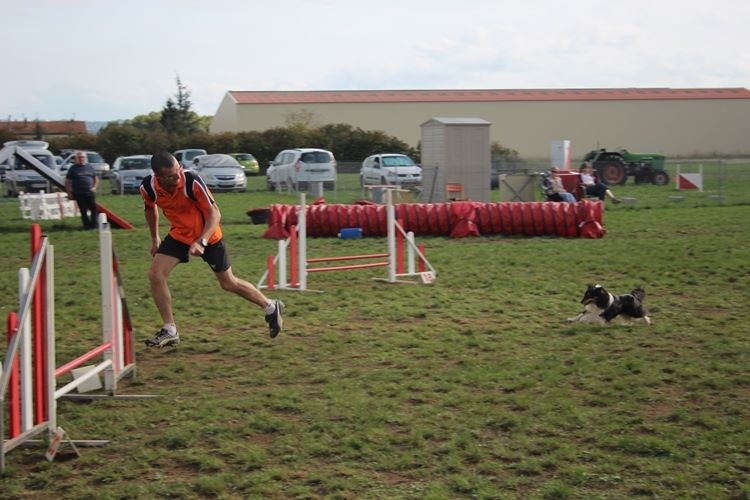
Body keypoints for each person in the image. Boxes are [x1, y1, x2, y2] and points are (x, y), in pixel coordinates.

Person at [140, 151, 284, 348]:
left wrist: (202, 241)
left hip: (209, 235)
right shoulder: (148, 187)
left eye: (178, 171)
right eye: (172, 176)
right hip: (180, 235)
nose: (177, 176)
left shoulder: (191, 181)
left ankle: (270, 306)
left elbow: (214, 213)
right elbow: (150, 209)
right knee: (155, 274)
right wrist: (154, 238)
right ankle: (170, 330)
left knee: (228, 283)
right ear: (159, 177)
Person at [64, 151, 99, 229]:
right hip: (78, 192)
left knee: (94, 209)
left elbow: (95, 178)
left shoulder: (90, 167)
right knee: (83, 210)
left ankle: (94, 225)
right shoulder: (73, 168)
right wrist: (69, 193)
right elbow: (67, 182)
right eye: (79, 158)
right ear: (76, 159)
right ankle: (87, 226)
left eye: (83, 157)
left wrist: (94, 187)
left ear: (85, 158)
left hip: (89, 192)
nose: (81, 159)